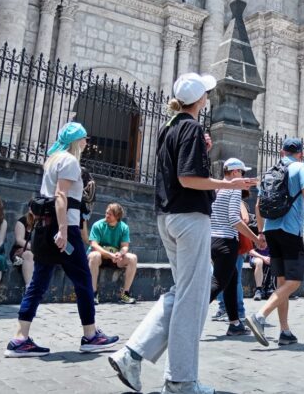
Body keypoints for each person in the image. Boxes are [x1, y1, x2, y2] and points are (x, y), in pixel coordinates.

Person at [108, 73, 256, 394]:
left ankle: (132, 355)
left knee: (187, 291)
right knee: (192, 298)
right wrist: (227, 184)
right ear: (201, 99)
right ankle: (180, 381)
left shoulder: (170, 127)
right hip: (189, 217)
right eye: (207, 94)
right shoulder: (190, 127)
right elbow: (189, 178)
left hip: (169, 217)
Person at [5, 122, 119, 358]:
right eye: (85, 138)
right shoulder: (68, 161)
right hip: (63, 228)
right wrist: (65, 230)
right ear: (77, 141)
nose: (87, 143)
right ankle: (90, 335)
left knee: (38, 283)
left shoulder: (53, 160)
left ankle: (20, 338)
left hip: (45, 228)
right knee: (84, 280)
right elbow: (60, 196)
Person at [246, 138, 304, 348]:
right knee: (294, 282)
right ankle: (260, 316)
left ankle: (285, 331)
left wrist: (260, 232)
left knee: (281, 282)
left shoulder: (270, 171)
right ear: (300, 153)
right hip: (290, 231)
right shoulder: (300, 167)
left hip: (271, 230)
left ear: (281, 151)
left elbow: (258, 205)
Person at [208, 158, 265, 336]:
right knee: (217, 284)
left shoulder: (217, 188)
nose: (243, 176)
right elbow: (234, 219)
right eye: (242, 172)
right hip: (226, 242)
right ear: (234, 173)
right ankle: (187, 315)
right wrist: (255, 237)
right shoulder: (233, 190)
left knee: (231, 282)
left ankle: (235, 323)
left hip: (212, 241)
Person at [87, 203, 138, 305]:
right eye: (106, 213)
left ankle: (125, 294)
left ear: (117, 217)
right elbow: (94, 245)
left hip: (115, 258)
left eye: (110, 214)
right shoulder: (98, 225)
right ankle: (93, 293)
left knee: (133, 258)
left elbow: (125, 246)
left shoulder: (124, 227)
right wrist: (109, 254)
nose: (107, 215)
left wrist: (120, 253)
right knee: (94, 255)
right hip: (100, 257)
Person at [10, 206, 35, 285]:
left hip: (37, 254)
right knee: (29, 254)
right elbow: (19, 240)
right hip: (18, 255)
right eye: (31, 207)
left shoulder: (44, 222)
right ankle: (29, 288)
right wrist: (34, 249)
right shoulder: (22, 221)